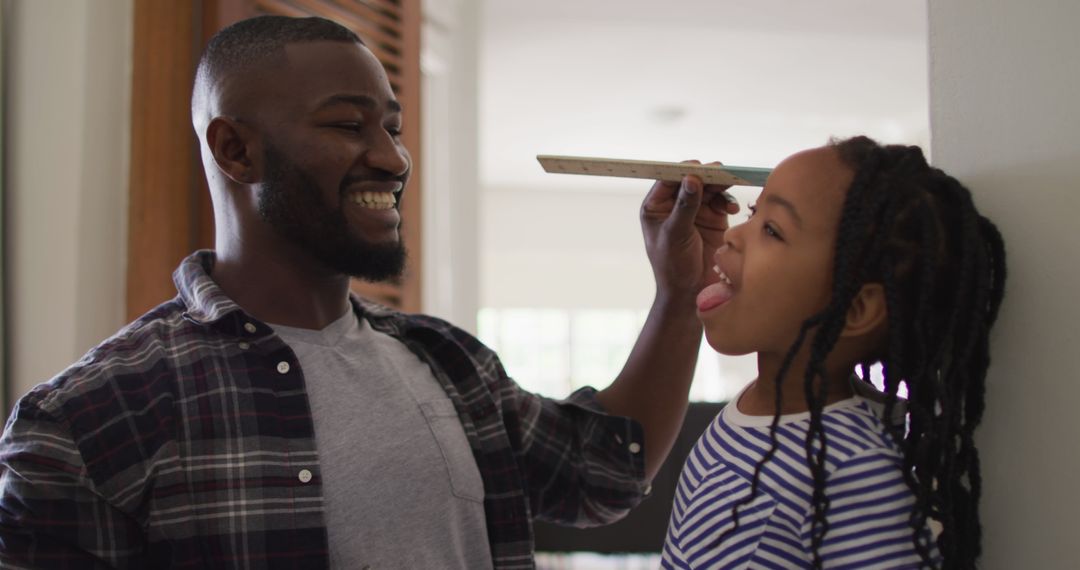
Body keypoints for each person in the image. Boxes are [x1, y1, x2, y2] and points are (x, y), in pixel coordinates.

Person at [0, 15, 739, 569]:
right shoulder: (84, 423)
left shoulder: (449, 364)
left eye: (391, 126)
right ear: (235, 148)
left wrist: (678, 293)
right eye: (349, 125)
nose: (392, 158)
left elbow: (603, 472)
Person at [660, 136, 1006, 569]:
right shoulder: (754, 411)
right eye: (753, 212)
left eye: (772, 230)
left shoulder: (852, 472)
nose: (732, 234)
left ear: (856, 309)